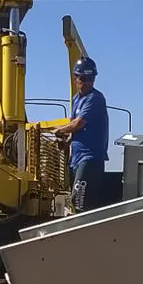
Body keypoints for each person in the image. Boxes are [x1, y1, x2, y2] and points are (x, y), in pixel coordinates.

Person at [54, 57, 109, 212]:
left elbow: (78, 124)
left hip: (90, 158)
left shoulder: (95, 98)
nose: (87, 83)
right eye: (83, 79)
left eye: (91, 79)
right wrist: (67, 142)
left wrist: (60, 130)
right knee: (77, 202)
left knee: (78, 201)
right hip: (76, 158)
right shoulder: (76, 100)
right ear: (75, 78)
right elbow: (76, 129)